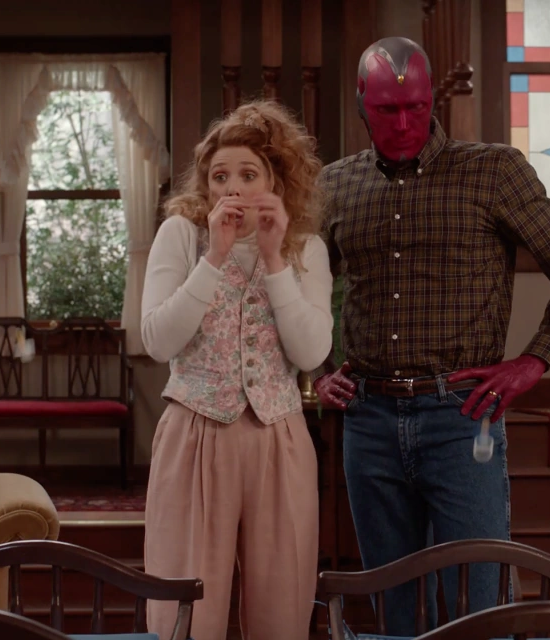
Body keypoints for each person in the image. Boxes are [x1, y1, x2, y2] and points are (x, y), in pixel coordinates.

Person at [313, 37, 550, 633]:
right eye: (388, 110)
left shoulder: (493, 171)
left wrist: (533, 360)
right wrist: (317, 371)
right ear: (361, 104)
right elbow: (300, 290)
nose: (404, 124)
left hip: (462, 416)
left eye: (417, 108)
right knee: (392, 606)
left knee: (481, 608)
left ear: (432, 101)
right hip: (368, 421)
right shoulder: (335, 185)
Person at [140, 100, 332, 640]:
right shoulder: (182, 235)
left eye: (249, 174)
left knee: (282, 610)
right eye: (220, 176)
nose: (233, 188)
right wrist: (215, 257)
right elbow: (157, 340)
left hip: (280, 438)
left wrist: (273, 259)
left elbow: (312, 353)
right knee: (184, 611)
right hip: (194, 433)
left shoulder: (305, 249)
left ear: (276, 181)